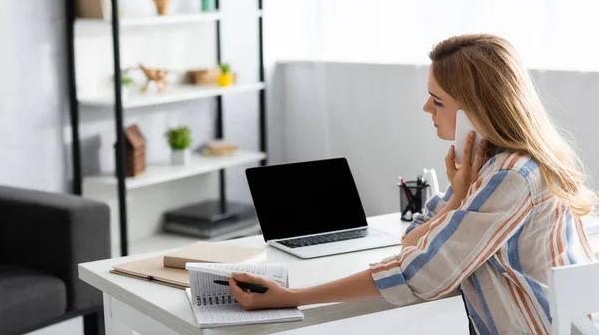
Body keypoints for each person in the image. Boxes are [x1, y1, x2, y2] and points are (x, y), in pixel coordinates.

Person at [228, 34, 596, 334]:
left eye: (437, 101)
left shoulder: (510, 177)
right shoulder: (487, 166)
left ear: (477, 108)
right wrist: (458, 195)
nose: (425, 109)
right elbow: (412, 238)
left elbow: (420, 272)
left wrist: (292, 296)